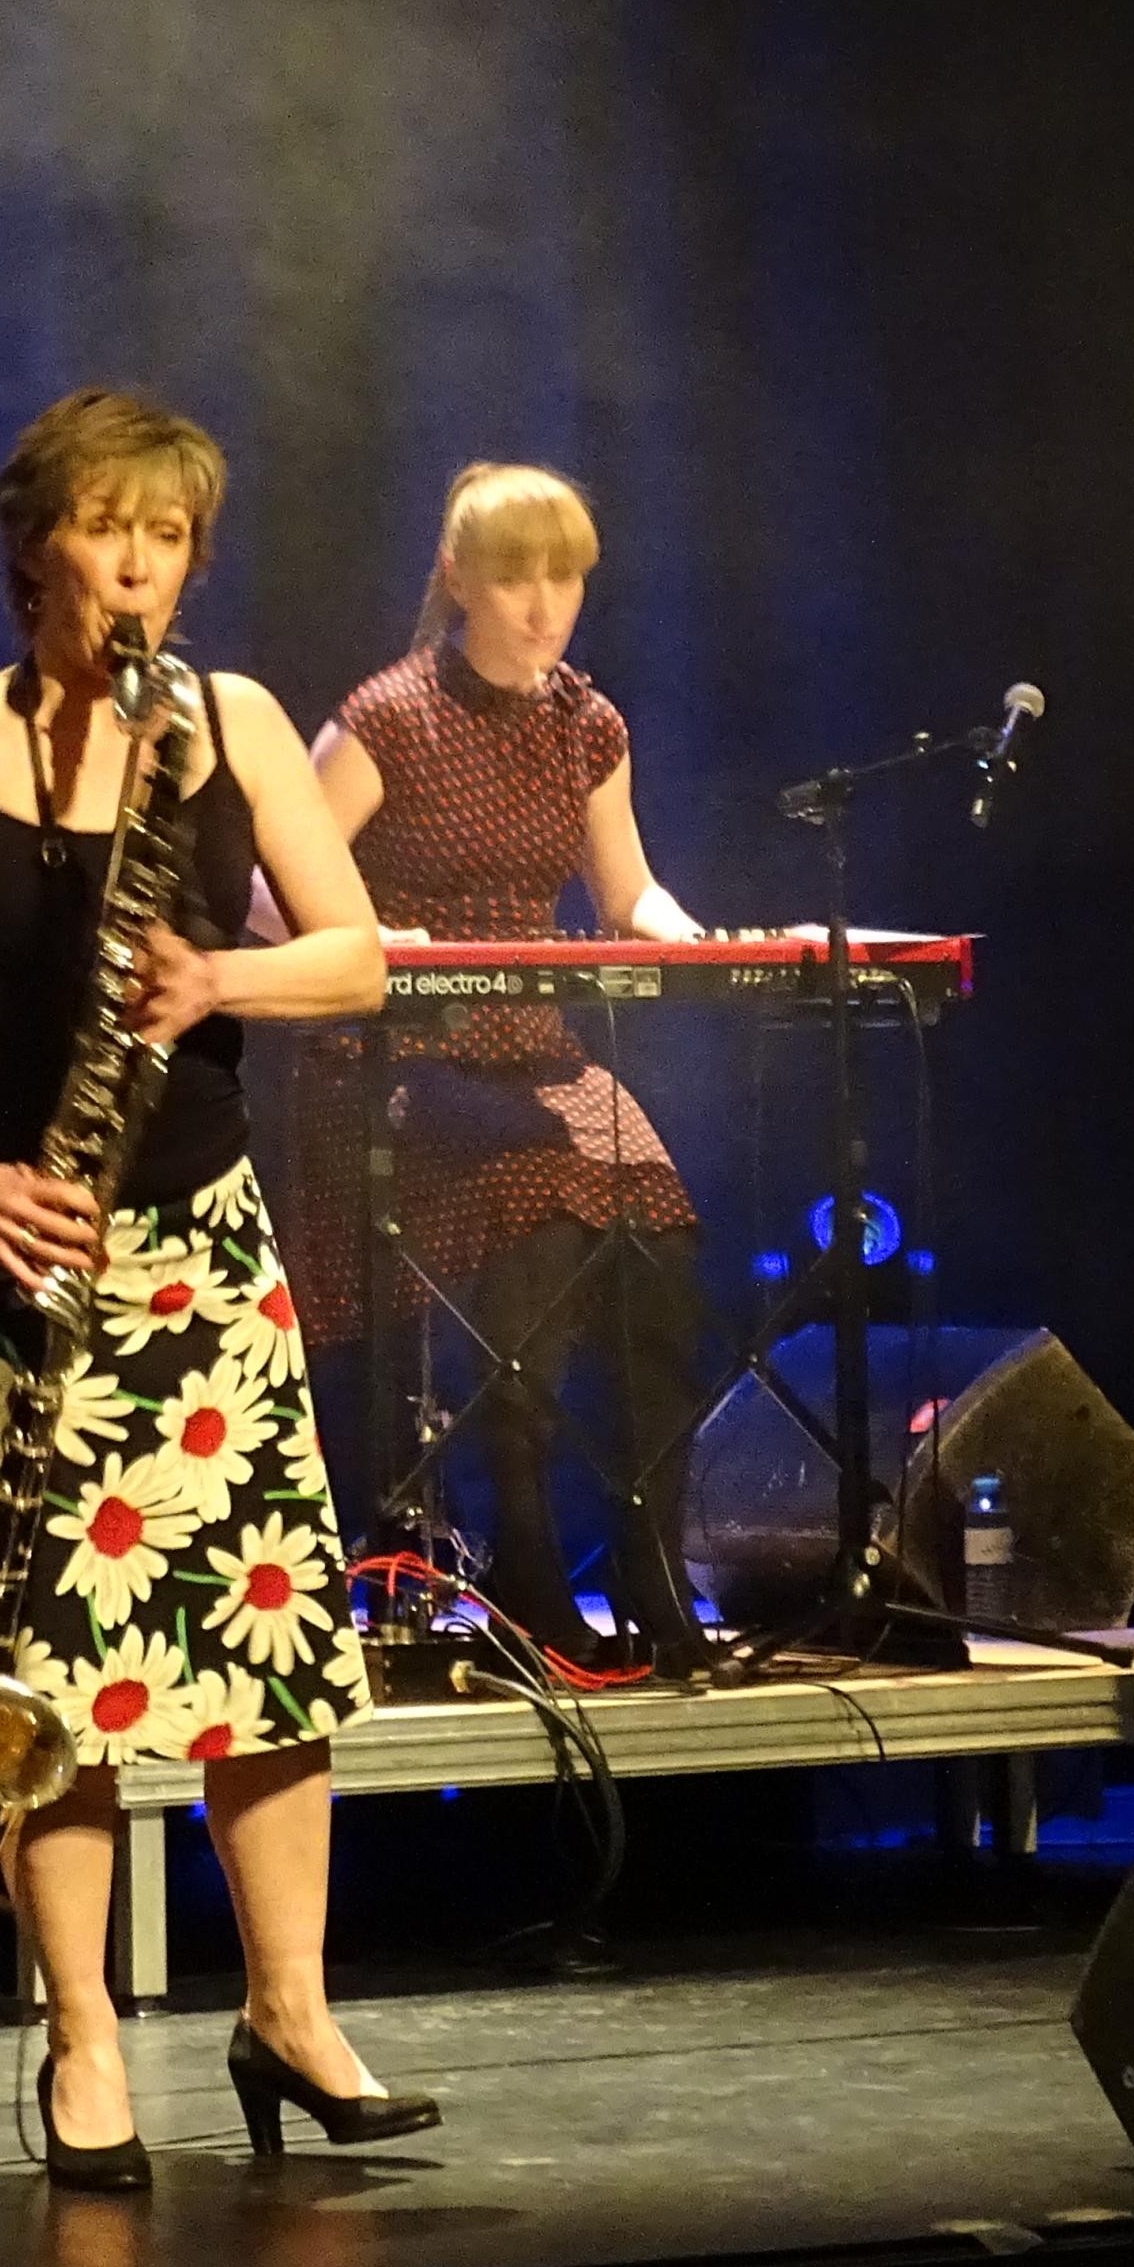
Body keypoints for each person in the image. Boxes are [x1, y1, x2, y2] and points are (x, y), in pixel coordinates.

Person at [0, 389, 429, 2187]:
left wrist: (219, 981)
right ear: (36, 553)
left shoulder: (233, 724)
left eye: (166, 536)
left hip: (197, 1254)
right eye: (108, 528)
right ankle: (85, 2038)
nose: (140, 564)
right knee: (49, 1670)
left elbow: (357, 959)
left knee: (262, 1656)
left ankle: (290, 2013)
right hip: (9, 1252)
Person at [283, 463, 710, 1679]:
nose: (543, 605)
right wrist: (367, 938)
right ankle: (524, 1565)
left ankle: (650, 1561)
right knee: (542, 1211)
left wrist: (697, 940)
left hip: (532, 1049)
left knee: (662, 1233)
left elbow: (627, 892)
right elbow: (267, 888)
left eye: (563, 578)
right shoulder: (388, 718)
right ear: (457, 579)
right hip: (390, 1054)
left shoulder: (588, 725)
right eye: (516, 577)